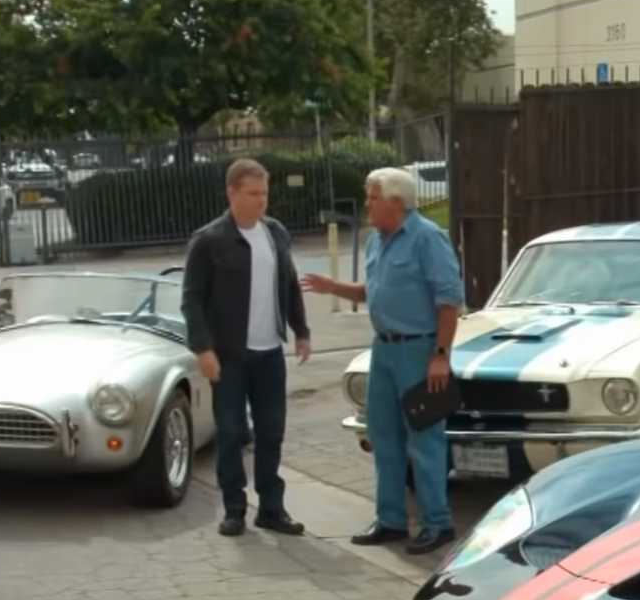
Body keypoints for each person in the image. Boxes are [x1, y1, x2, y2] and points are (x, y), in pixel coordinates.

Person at [302, 167, 462, 555]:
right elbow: (371, 292)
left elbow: (449, 301)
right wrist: (332, 287)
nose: (367, 204)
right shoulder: (377, 241)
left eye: (373, 197)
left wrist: (441, 355)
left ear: (396, 202)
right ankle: (391, 520)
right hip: (384, 350)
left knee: (424, 439)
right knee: (383, 437)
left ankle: (437, 523)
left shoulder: (427, 239)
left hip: (419, 351)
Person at [181, 158, 312, 537]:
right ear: (232, 193)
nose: (261, 201)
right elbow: (192, 299)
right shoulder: (208, 240)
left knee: (272, 431)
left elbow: (288, 284)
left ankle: (272, 507)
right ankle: (234, 508)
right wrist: (203, 349)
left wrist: (301, 330)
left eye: (265, 193)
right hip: (228, 354)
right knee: (232, 430)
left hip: (269, 352)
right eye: (253, 194)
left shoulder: (275, 233)